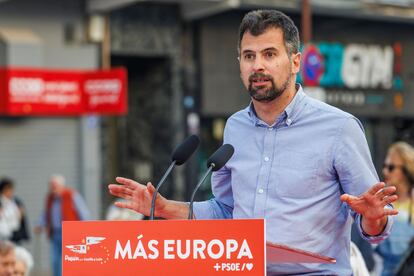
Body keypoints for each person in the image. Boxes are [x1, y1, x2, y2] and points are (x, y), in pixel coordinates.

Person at [108, 10, 398, 275]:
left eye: (270, 54)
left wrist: (374, 219)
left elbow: (375, 221)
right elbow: (226, 210)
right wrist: (163, 207)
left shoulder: (339, 128)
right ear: (240, 65)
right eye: (249, 56)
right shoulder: (236, 127)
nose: (257, 65)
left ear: (295, 61)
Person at [36, 174, 89, 276]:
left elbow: (84, 213)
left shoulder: (71, 195)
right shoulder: (50, 198)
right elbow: (46, 213)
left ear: (61, 186)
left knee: (70, 259)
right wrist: (40, 224)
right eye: (51, 186)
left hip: (70, 233)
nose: (53, 189)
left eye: (55, 186)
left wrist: (85, 229)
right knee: (55, 260)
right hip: (55, 233)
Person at [375, 142, 414, 276]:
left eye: (391, 167)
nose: (385, 171)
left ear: (406, 170)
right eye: (384, 166)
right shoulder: (379, 200)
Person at [0, 179, 30, 245]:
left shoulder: (16, 201)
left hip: (15, 235)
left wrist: (21, 214)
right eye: (8, 189)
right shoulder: (1, 202)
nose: (10, 191)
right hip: (3, 236)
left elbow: (20, 218)